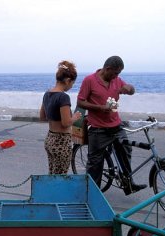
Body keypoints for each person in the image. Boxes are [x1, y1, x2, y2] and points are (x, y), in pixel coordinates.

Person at [77, 56, 147, 195]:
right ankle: (92, 194)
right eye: (116, 73)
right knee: (95, 163)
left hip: (116, 125)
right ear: (107, 69)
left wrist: (130, 88)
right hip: (98, 129)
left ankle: (128, 184)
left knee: (126, 150)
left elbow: (130, 90)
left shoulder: (116, 80)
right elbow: (81, 103)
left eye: (119, 74)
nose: (117, 76)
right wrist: (100, 108)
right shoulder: (89, 80)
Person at [40, 60, 82, 174]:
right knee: (60, 176)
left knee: (52, 173)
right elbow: (66, 123)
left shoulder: (47, 94)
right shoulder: (63, 97)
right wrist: (75, 117)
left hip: (50, 138)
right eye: (72, 83)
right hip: (61, 141)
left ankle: (49, 192)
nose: (72, 86)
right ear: (68, 80)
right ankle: (55, 192)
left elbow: (42, 116)